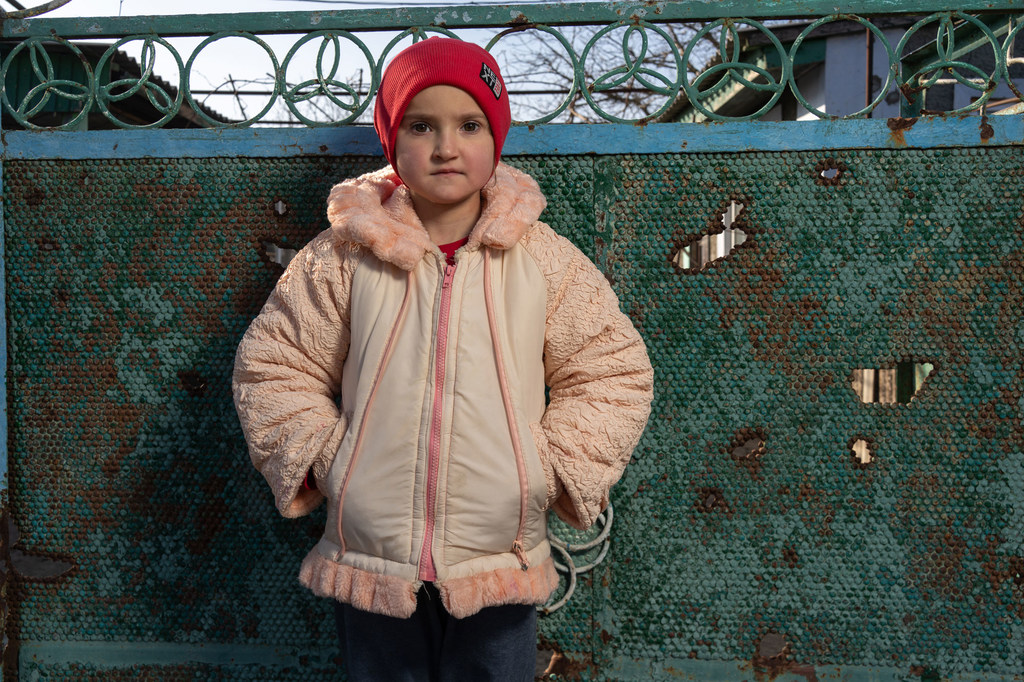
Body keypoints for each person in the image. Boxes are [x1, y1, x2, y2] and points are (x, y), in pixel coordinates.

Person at [233, 37, 653, 681]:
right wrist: (329, 461)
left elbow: (611, 371)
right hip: (371, 557)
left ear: (497, 138)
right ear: (392, 140)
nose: (446, 146)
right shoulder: (342, 257)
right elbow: (274, 365)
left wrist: (548, 468)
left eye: (470, 125)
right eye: (422, 125)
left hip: (499, 557)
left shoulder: (544, 260)